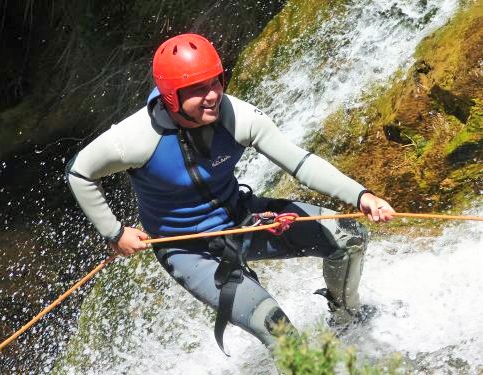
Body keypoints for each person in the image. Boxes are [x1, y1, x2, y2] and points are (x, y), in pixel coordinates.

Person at [66, 33, 395, 355]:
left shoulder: (237, 116)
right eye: (197, 89)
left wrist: (361, 196)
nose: (212, 96)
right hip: (190, 251)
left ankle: (347, 325)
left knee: (349, 237)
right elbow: (79, 172)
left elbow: (299, 162)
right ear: (170, 96)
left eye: (216, 82)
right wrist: (115, 232)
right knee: (279, 330)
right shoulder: (134, 138)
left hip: (243, 220)